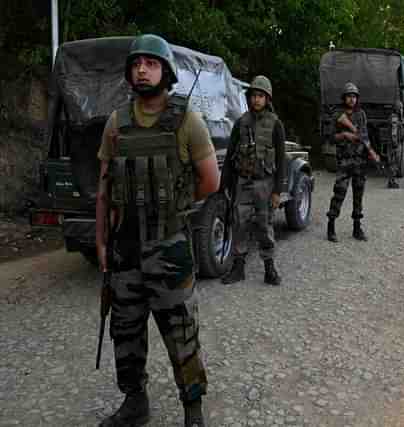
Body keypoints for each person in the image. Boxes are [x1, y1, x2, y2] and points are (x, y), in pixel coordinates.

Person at [95, 34, 219, 427]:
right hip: (126, 250)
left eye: (150, 63)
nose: (142, 70)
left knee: (182, 332)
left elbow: (210, 181)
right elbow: (104, 188)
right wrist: (101, 242)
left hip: (169, 246)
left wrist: (174, 209)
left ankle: (193, 408)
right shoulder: (117, 123)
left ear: (166, 72)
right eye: (136, 64)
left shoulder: (186, 121)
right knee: (126, 332)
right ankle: (135, 402)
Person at [220, 75, 286, 286]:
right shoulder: (240, 123)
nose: (256, 100)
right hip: (243, 182)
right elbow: (231, 156)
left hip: (264, 184)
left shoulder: (276, 125)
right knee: (239, 224)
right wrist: (225, 186)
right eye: (253, 96)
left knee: (264, 225)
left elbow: (281, 160)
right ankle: (238, 267)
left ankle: (269, 268)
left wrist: (277, 191)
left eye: (260, 96)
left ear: (267, 99)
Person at [326, 82, 375, 242]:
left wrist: (371, 152)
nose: (352, 99)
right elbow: (331, 138)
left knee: (358, 195)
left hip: (359, 161)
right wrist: (345, 135)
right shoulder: (337, 114)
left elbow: (365, 136)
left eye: (354, 96)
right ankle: (331, 226)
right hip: (345, 161)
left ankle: (357, 228)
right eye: (349, 96)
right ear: (344, 98)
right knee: (339, 193)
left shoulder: (361, 114)